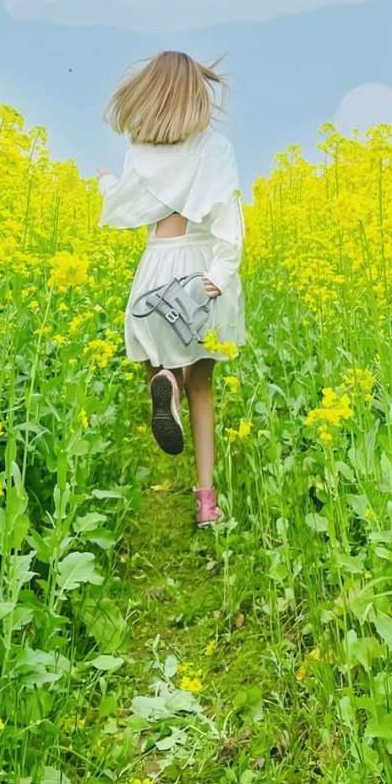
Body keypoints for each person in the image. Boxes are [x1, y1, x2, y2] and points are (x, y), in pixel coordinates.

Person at [94, 50, 246, 527]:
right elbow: (226, 215)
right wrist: (219, 277)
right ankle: (206, 504)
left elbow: (124, 207)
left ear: (151, 95)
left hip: (157, 270)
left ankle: (165, 382)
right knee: (205, 386)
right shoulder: (214, 148)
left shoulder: (140, 153)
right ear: (195, 94)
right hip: (198, 269)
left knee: (160, 356)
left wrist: (105, 186)